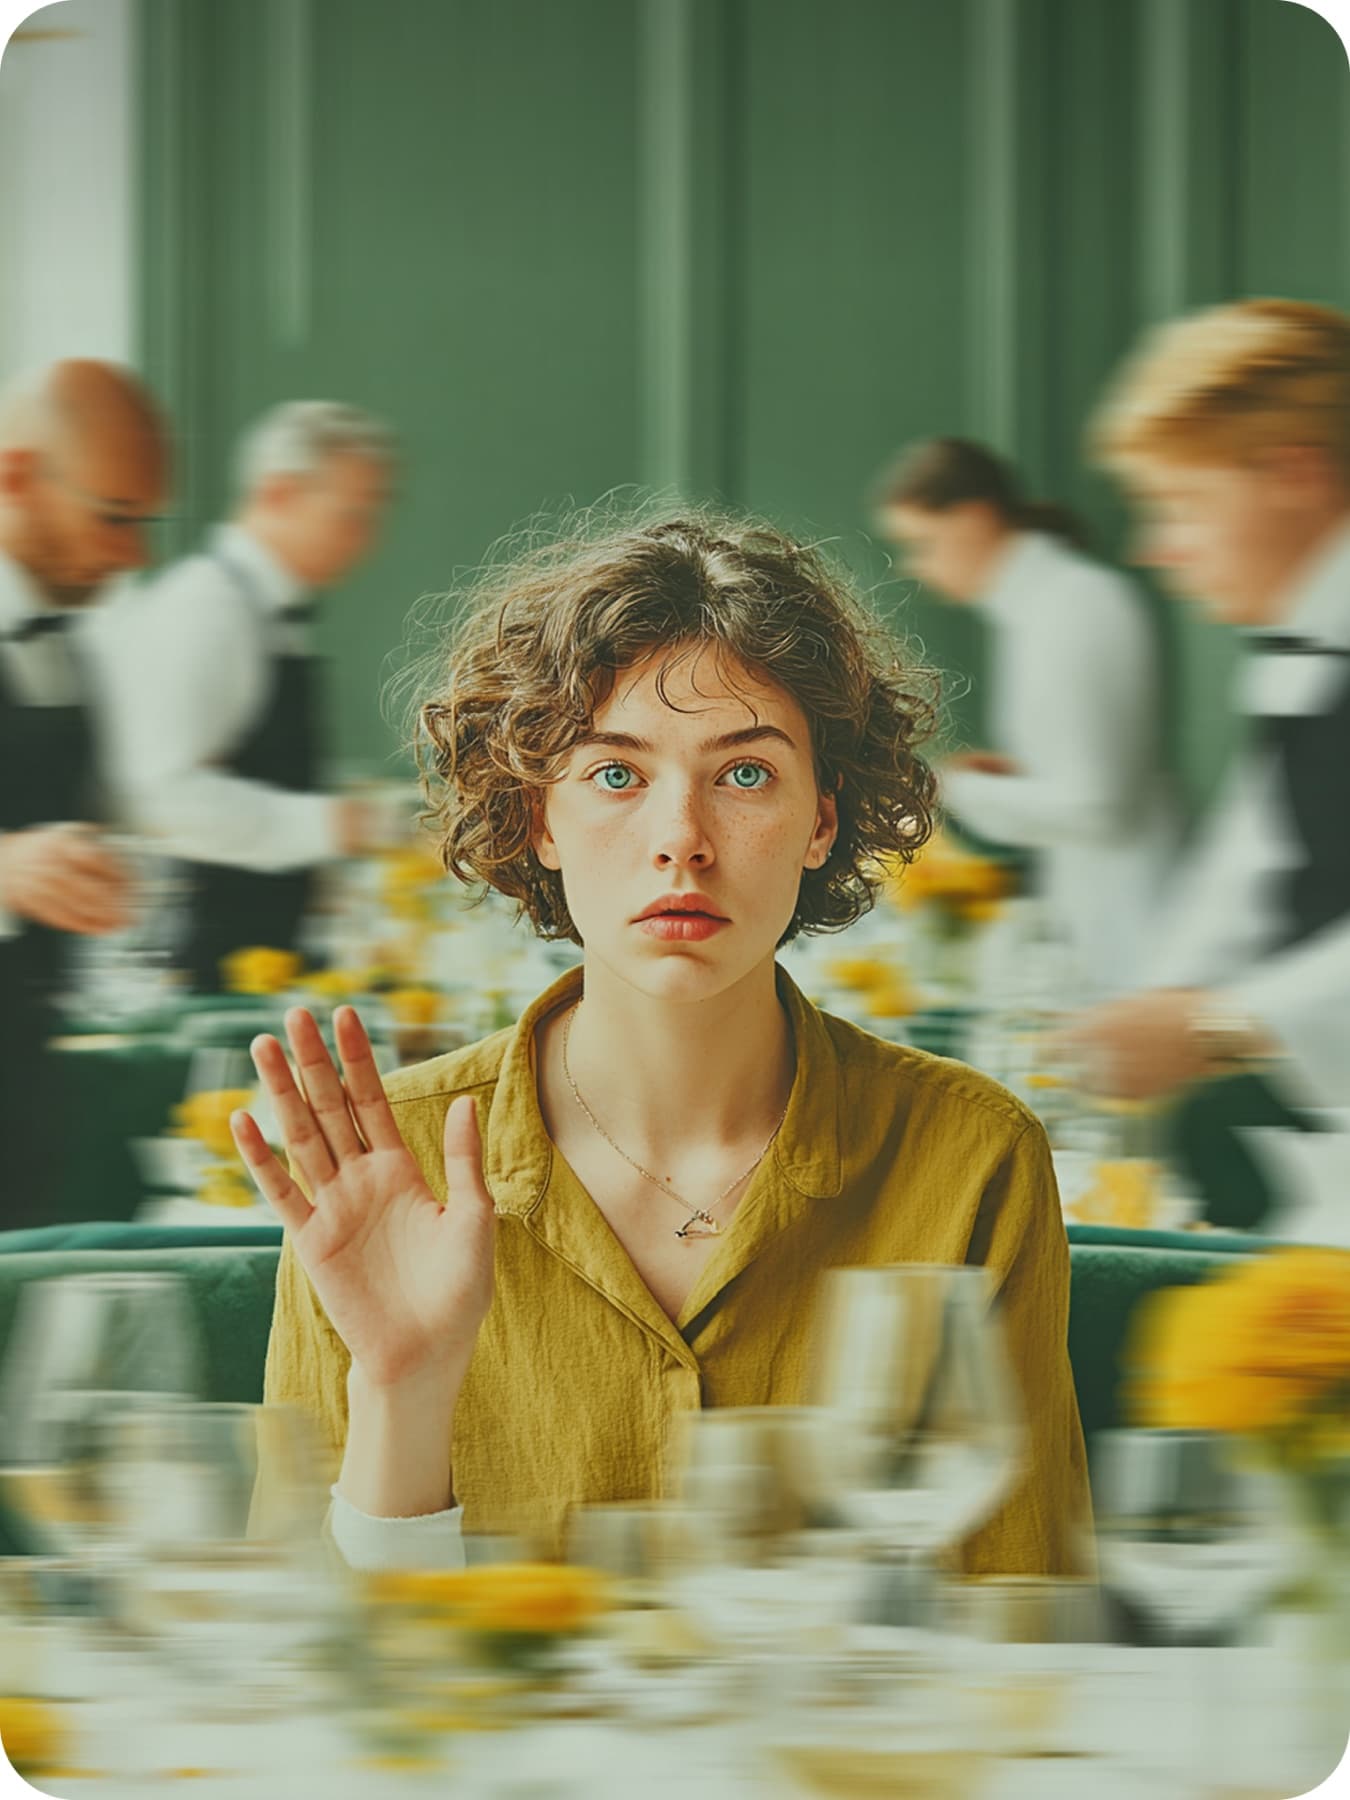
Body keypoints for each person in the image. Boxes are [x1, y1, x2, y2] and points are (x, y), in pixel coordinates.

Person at [239, 509, 1091, 1575]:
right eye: (615, 774)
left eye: (744, 774)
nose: (680, 839)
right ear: (539, 817)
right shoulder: (380, 1166)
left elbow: (1026, 1620)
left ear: (823, 820)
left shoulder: (971, 1160)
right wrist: (403, 1393)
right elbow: (311, 1670)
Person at [1076, 300, 1350, 1218]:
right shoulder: (1304, 646)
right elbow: (1255, 861)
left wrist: (1212, 1025)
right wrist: (1144, 1015)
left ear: (1293, 475)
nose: (1158, 549)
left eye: (1182, 504)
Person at [95, 400, 395, 991]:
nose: (365, 540)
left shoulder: (266, 611)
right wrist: (337, 824)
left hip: (264, 950)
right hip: (201, 959)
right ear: (279, 494)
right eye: (350, 516)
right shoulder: (204, 611)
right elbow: (161, 797)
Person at [875, 438, 1176, 997]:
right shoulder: (1043, 609)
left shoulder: (1074, 604)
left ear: (974, 519)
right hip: (1093, 916)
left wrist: (950, 788)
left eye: (923, 543)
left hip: (1130, 921)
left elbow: (1101, 807)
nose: (919, 568)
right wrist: (1013, 778)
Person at [0, 359, 168, 1227]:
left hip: (31, 1084)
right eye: (113, 517)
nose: (132, 553)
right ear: (17, 476)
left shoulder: (66, 639)